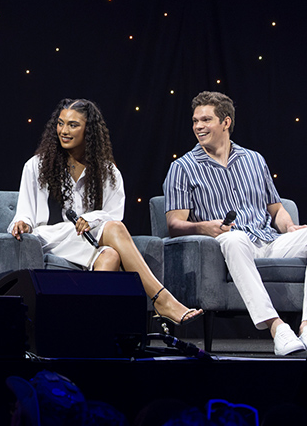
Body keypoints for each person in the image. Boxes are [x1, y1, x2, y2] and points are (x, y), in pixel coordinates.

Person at [164, 91, 307, 355]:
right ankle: (277, 327)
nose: (198, 126)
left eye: (205, 120)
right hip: (228, 243)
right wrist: (204, 227)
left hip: (268, 239)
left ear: (225, 122)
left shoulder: (254, 160)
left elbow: (276, 207)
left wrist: (289, 227)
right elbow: (173, 224)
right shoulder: (183, 167)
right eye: (195, 121)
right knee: (235, 239)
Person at [10, 98, 201, 327]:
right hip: (50, 239)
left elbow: (114, 214)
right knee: (114, 230)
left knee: (111, 255)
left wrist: (89, 220)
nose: (64, 131)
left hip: (87, 240)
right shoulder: (38, 165)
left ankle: (89, 328)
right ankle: (162, 300)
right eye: (60, 124)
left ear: (88, 130)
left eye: (73, 125)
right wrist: (22, 222)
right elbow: (27, 212)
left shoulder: (108, 171)